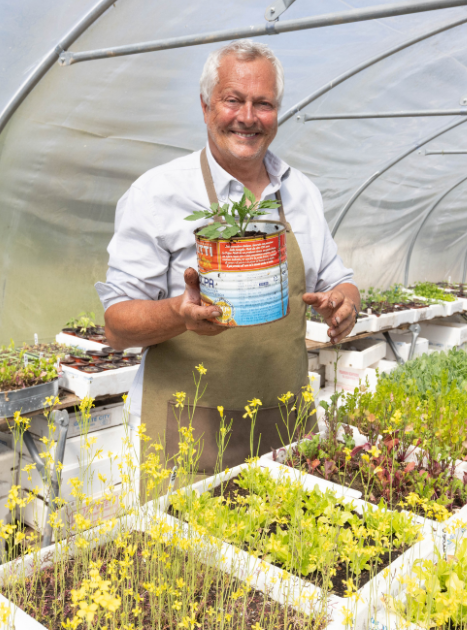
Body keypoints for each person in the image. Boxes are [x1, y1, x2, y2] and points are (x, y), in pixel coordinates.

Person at [96, 40, 359, 481]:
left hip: (285, 422)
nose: (248, 117)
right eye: (233, 100)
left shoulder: (301, 192)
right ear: (205, 107)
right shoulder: (158, 193)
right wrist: (179, 314)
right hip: (190, 429)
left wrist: (346, 303)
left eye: (264, 104)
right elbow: (116, 325)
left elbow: (340, 279)